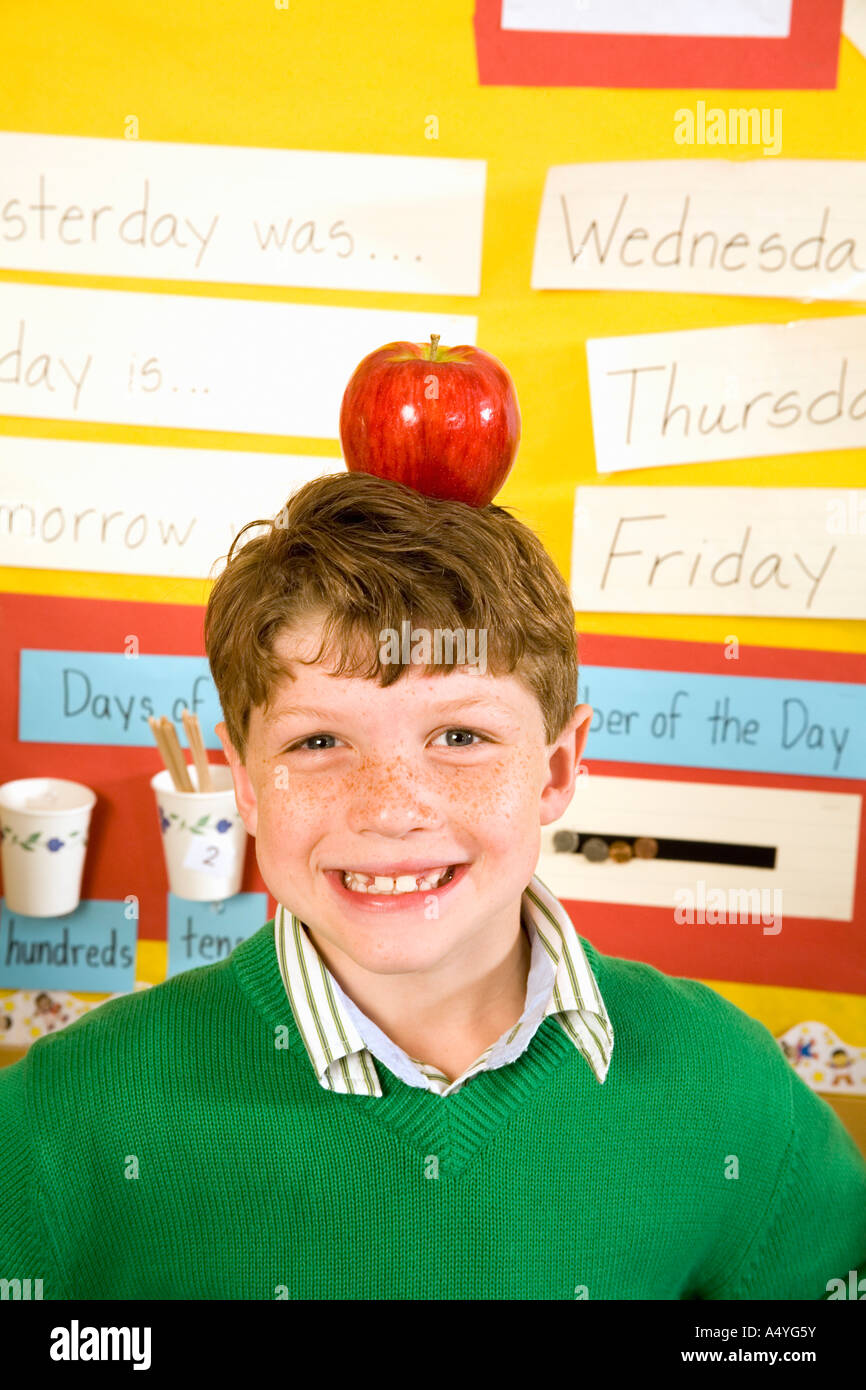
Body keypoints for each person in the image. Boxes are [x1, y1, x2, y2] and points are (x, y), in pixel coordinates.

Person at [1, 470, 864, 1300]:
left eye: (459, 736)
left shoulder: (723, 1085)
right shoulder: (69, 1116)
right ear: (249, 786)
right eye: (317, 742)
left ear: (556, 767)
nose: (389, 811)